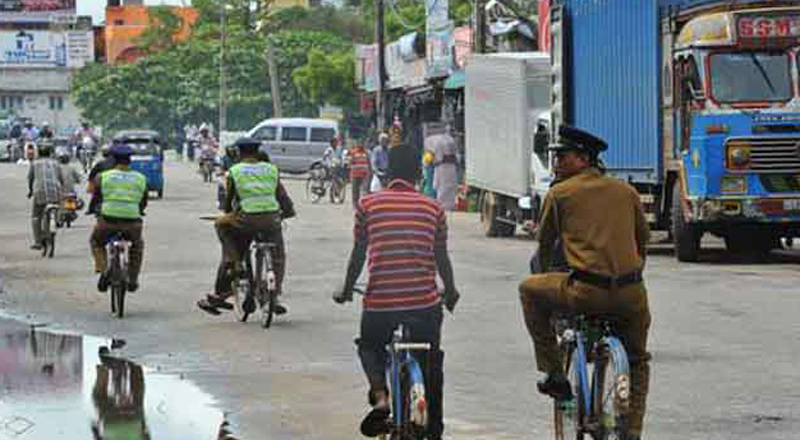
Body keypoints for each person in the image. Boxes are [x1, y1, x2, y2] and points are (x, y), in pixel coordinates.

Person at [518, 125, 651, 440]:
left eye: (562, 156)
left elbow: (545, 243)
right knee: (638, 361)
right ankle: (632, 430)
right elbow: (642, 242)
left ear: (583, 158)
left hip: (586, 292)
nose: (556, 163)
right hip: (633, 294)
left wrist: (551, 277)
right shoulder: (627, 192)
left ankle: (553, 373)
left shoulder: (560, 193)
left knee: (528, 290)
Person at [333, 145, 461, 440]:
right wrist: (451, 291)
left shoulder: (367, 205)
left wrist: (345, 288)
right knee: (432, 361)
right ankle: (434, 430)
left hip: (381, 303)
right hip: (424, 305)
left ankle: (380, 397)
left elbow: (358, 254)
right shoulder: (434, 208)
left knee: (369, 346)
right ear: (418, 175)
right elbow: (441, 258)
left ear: (387, 172)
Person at [197, 137, 296, 316]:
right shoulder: (271, 169)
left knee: (221, 226)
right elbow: (282, 197)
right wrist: (287, 212)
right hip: (272, 220)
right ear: (258, 152)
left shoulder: (235, 171)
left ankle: (236, 264)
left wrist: (229, 213)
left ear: (239, 153)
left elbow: (229, 204)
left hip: (246, 219)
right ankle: (274, 294)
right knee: (278, 256)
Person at [90, 145, 148, 293]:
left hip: (107, 221)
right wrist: (138, 210)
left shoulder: (103, 176)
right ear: (130, 160)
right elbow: (143, 202)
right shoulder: (141, 178)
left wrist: (96, 210)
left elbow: (97, 198)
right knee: (137, 247)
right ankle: (133, 279)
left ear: (114, 160)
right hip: (132, 223)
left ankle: (103, 269)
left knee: (96, 241)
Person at [27, 143, 64, 250]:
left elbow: (30, 179)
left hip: (40, 192)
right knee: (55, 208)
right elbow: (61, 179)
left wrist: (30, 191)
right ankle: (57, 220)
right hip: (55, 192)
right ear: (50, 153)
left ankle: (38, 242)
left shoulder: (34, 163)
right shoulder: (56, 163)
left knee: (36, 216)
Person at [426, 127, 458, 211]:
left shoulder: (434, 142)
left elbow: (429, 159)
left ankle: (442, 207)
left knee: (441, 188)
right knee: (447, 188)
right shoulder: (449, 140)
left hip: (442, 168)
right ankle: (447, 206)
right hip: (448, 168)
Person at [86, 145, 116, 215]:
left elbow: (92, 174)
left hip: (105, 185)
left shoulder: (101, 163)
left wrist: (90, 180)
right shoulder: (116, 163)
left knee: (95, 195)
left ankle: (91, 209)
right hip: (113, 185)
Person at [348, 141, 370, 208]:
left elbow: (369, 162)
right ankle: (355, 205)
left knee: (365, 191)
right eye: (360, 143)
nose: (361, 145)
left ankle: (364, 205)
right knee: (355, 191)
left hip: (365, 175)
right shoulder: (353, 152)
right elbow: (349, 162)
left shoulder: (366, 152)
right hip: (355, 174)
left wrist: (370, 172)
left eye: (362, 143)